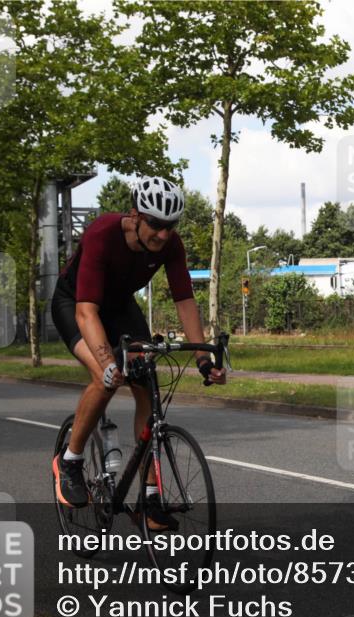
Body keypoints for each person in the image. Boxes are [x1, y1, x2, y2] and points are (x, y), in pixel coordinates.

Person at [50, 176, 225, 530]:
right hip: (76, 303)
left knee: (146, 380)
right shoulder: (103, 233)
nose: (162, 235)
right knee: (107, 377)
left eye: (169, 227)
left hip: (119, 307)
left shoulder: (171, 246)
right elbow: (86, 311)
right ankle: (70, 460)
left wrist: (203, 359)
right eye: (156, 225)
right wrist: (107, 362)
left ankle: (149, 498)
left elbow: (185, 301)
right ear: (135, 215)